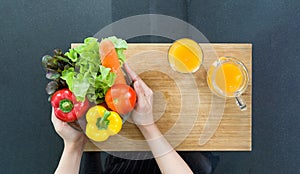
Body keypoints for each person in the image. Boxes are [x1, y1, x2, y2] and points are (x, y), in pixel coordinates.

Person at [51, 64, 218, 174]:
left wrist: (74, 144)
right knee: (201, 165)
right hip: (180, 158)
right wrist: (147, 125)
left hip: (124, 159)